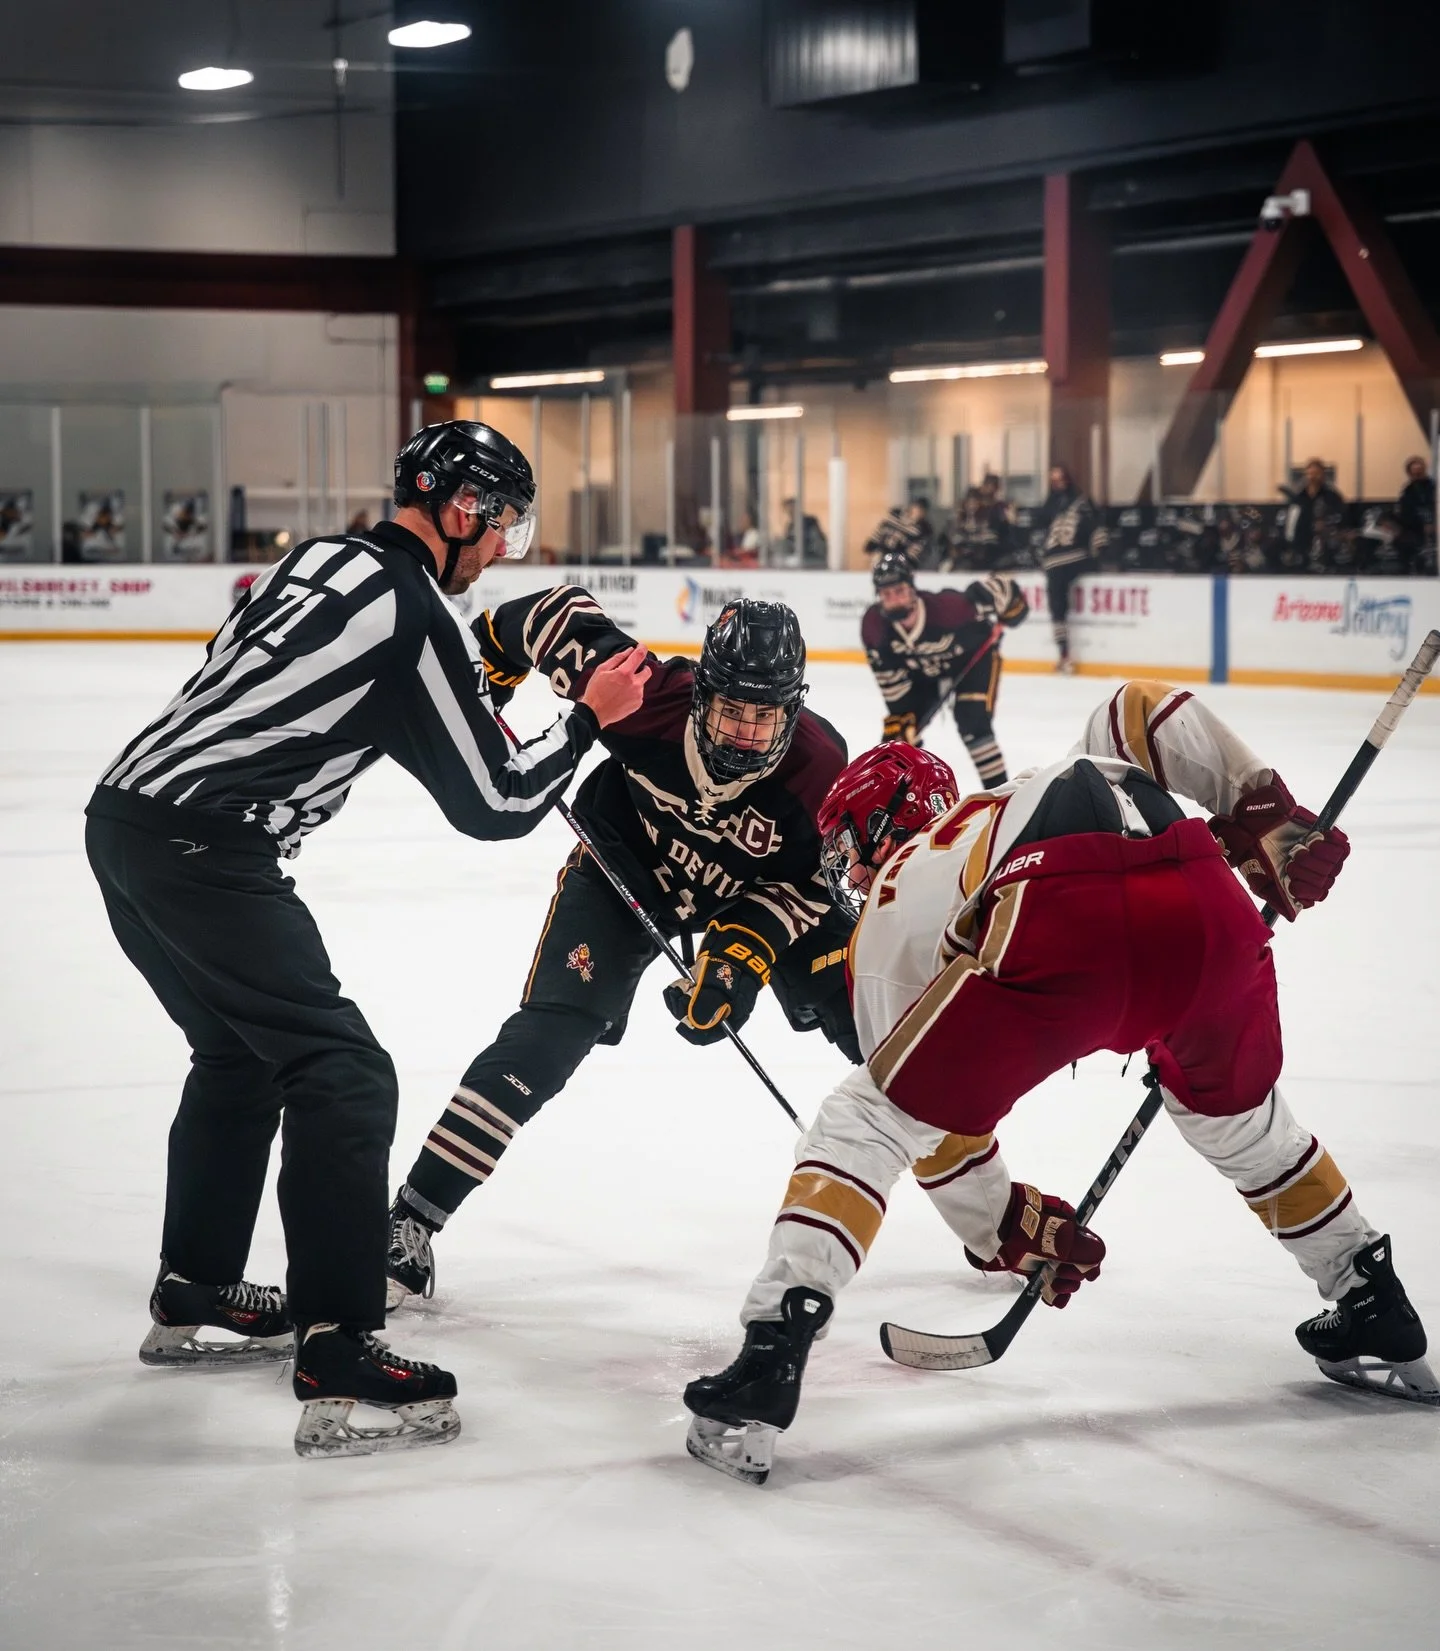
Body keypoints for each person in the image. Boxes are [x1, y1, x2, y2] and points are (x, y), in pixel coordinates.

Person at [684, 687, 1435, 1485]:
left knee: (860, 1123)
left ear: (883, 826)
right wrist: (1265, 811)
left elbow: (930, 1129)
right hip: (1209, 904)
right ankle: (1371, 1293)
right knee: (1242, 1124)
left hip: (1061, 908)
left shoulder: (897, 894)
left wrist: (1004, 1224)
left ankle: (774, 1348)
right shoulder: (1038, 783)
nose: (847, 871)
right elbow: (1140, 708)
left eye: (847, 846)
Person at [83, 420, 649, 1458]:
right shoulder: (418, 615)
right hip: (211, 846)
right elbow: (493, 800)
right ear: (464, 510)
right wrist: (591, 718)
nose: (499, 553)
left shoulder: (318, 560)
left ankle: (196, 1282)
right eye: (506, 529)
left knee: (240, 1053)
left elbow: (265, 678)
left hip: (122, 818)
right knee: (345, 1075)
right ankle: (339, 1339)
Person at [384, 597, 861, 1311]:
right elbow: (544, 615)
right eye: (733, 711)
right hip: (623, 871)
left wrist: (740, 955)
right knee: (549, 1035)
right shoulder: (639, 689)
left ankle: (984, 1194)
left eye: (766, 717)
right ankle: (409, 1222)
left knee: (868, 1016)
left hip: (742, 896)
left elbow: (812, 889)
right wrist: (492, 666)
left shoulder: (819, 768)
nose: (747, 735)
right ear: (701, 691)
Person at [860, 550, 1028, 787]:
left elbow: (1004, 589)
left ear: (912, 589)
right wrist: (905, 720)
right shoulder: (874, 627)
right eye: (887, 594)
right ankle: (900, 804)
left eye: (899, 591)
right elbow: (892, 686)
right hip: (924, 675)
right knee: (897, 740)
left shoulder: (950, 609)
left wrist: (1012, 609)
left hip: (972, 663)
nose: (894, 598)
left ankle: (1000, 792)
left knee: (972, 723)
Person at [1038, 464, 1106, 672]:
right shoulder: (1056, 505)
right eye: (1053, 479)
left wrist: (1099, 555)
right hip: (1061, 560)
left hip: (1058, 560)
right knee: (1057, 608)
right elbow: (1098, 530)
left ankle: (1064, 655)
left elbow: (1096, 529)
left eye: (1059, 479)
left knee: (1057, 609)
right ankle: (1064, 655)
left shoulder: (1076, 502)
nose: (1056, 483)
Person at [1278, 458, 1346, 572]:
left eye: (1316, 473)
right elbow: (1291, 519)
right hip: (1303, 539)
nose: (1313, 477)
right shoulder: (1299, 496)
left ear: (1323, 475)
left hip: (1326, 539)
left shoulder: (1331, 496)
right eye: (1310, 473)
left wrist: (1327, 523)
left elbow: (1341, 515)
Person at [864, 497, 938, 568]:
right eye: (916, 508)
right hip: (882, 551)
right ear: (912, 507)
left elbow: (915, 551)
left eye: (921, 510)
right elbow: (880, 532)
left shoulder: (922, 531)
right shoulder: (894, 518)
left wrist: (905, 556)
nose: (918, 512)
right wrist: (873, 544)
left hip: (900, 557)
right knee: (877, 559)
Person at [1397, 456, 1436, 574]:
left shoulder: (1434, 488)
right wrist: (1420, 525)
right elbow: (1405, 515)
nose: (1418, 474)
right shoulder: (1408, 492)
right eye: (1415, 472)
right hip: (1415, 529)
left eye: (1421, 471)